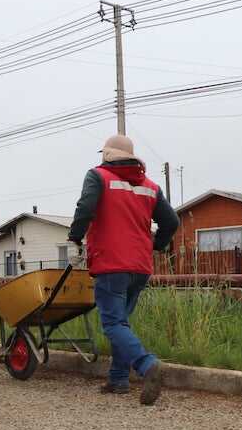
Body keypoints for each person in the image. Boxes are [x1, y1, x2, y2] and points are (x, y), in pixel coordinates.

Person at [67, 134, 179, 405]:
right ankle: (118, 379)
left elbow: (85, 209)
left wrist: (73, 240)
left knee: (113, 323)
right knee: (122, 322)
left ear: (107, 155)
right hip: (140, 267)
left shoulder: (98, 177)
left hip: (111, 263)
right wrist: (155, 245)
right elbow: (171, 221)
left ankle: (146, 364)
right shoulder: (151, 187)